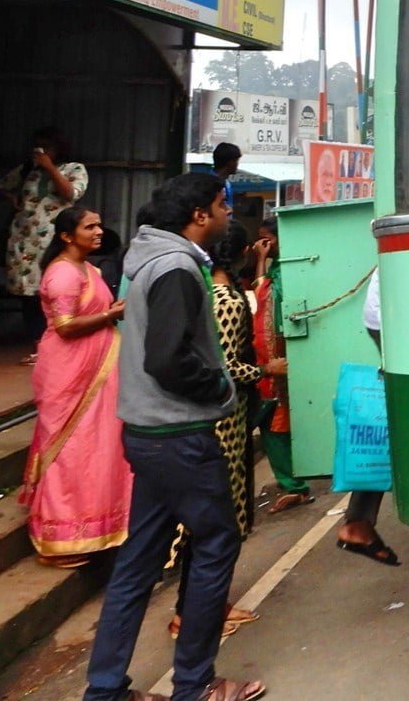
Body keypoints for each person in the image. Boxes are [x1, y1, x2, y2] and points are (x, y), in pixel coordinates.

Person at [82, 172, 264, 701]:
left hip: (145, 433)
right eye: (221, 206)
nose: (229, 215)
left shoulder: (146, 263)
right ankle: (197, 685)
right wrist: (219, 386)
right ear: (199, 216)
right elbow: (167, 358)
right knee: (216, 544)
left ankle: (106, 689)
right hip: (180, 433)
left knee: (139, 561)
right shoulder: (179, 267)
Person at [167, 222, 274, 642]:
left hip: (214, 418)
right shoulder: (227, 300)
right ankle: (192, 614)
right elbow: (226, 366)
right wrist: (267, 369)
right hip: (224, 423)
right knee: (220, 521)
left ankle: (208, 606)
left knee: (212, 521)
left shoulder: (205, 294)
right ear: (242, 252)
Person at [19, 206, 134, 568]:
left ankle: (92, 527)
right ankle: (56, 541)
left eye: (100, 224)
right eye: (90, 226)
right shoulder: (63, 274)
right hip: (70, 373)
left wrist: (110, 311)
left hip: (95, 370)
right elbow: (66, 326)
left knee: (94, 450)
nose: (99, 231)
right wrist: (112, 315)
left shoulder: (90, 269)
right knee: (68, 451)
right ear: (67, 236)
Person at [0, 127, 89, 352]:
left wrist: (49, 168)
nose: (41, 152)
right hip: (24, 240)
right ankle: (38, 344)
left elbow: (70, 194)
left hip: (55, 241)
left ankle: (57, 341)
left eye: (47, 147)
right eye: (37, 147)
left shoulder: (74, 169)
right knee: (28, 293)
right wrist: (11, 196)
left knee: (55, 289)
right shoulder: (27, 170)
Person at [336, 268, 400, 567]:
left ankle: (358, 520)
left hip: (388, 310)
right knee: (398, 413)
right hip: (396, 311)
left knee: (394, 412)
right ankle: (358, 521)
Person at [249, 218, 314, 514]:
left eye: (267, 239)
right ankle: (292, 484)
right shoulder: (276, 270)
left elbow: (270, 306)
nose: (263, 245)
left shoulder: (287, 272)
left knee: (276, 424)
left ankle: (295, 485)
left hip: (277, 360)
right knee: (274, 424)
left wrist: (261, 260)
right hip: (266, 361)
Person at [209, 143, 242, 211]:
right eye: (236, 161)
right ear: (230, 162)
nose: (237, 164)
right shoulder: (209, 184)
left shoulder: (227, 184)